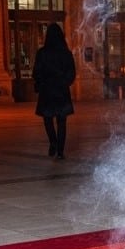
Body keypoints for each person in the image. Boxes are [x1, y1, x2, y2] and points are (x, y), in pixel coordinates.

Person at [32, 22, 76, 160]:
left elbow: (36, 72)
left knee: (48, 119)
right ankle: (60, 151)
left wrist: (40, 83)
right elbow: (72, 72)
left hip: (47, 90)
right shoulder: (66, 53)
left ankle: (53, 142)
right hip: (61, 90)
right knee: (61, 122)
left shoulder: (42, 53)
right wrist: (65, 82)